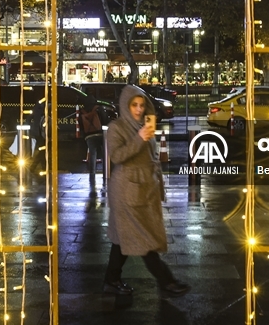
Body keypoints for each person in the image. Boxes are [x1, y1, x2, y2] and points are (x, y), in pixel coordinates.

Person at [103, 85, 190, 298]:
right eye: (134, 105)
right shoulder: (117, 127)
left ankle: (111, 280)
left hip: (143, 189)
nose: (139, 109)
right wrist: (139, 138)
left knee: (122, 238)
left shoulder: (144, 125)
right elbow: (117, 156)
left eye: (142, 105)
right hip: (127, 191)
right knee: (145, 238)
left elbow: (150, 156)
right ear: (126, 105)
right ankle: (167, 281)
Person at [78, 98, 104, 191]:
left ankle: (92, 174)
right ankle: (106, 172)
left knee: (92, 154)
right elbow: (104, 119)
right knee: (104, 153)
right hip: (100, 134)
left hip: (89, 136)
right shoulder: (98, 109)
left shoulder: (82, 111)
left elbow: (80, 125)